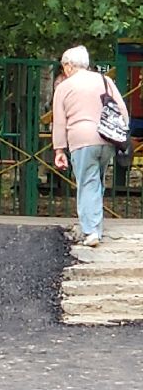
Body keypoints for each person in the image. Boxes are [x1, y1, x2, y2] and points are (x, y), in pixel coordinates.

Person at [52, 45, 127, 248]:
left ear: (68, 66)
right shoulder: (104, 80)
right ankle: (96, 226)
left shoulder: (64, 87)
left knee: (87, 183)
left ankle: (91, 231)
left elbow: (59, 121)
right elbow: (122, 111)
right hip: (106, 139)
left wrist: (59, 149)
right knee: (97, 182)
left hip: (81, 140)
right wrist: (121, 134)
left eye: (63, 66)